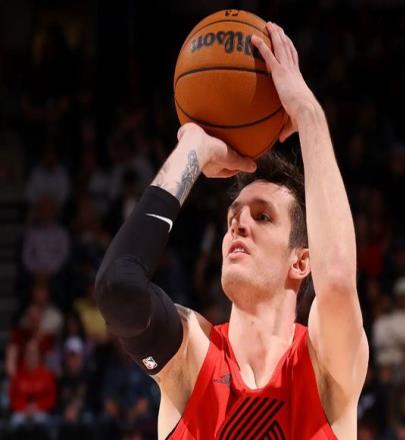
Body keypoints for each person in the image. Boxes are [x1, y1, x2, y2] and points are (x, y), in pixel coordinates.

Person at [95, 21, 368, 439]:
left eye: (263, 216)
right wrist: (192, 147)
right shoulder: (193, 360)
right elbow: (118, 287)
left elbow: (336, 282)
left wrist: (308, 114)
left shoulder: (324, 367)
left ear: (301, 261)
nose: (239, 224)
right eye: (233, 217)